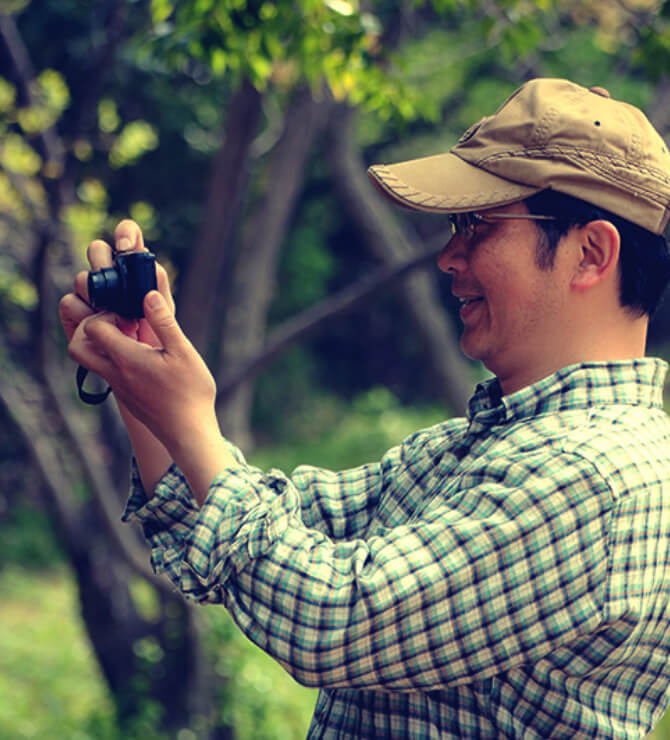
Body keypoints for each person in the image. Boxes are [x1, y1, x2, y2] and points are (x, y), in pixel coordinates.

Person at [60, 78, 670, 738]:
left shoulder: (595, 477)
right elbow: (257, 531)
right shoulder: (473, 448)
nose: (449, 257)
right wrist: (140, 378)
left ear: (591, 253)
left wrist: (188, 418)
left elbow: (330, 619)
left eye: (479, 226)